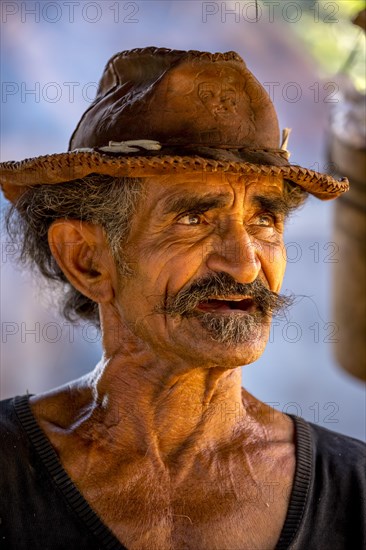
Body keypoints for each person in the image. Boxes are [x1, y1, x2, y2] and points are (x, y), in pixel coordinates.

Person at [0, 47, 364, 550]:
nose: (244, 264)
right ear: (86, 258)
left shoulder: (355, 489)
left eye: (265, 220)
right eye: (193, 218)